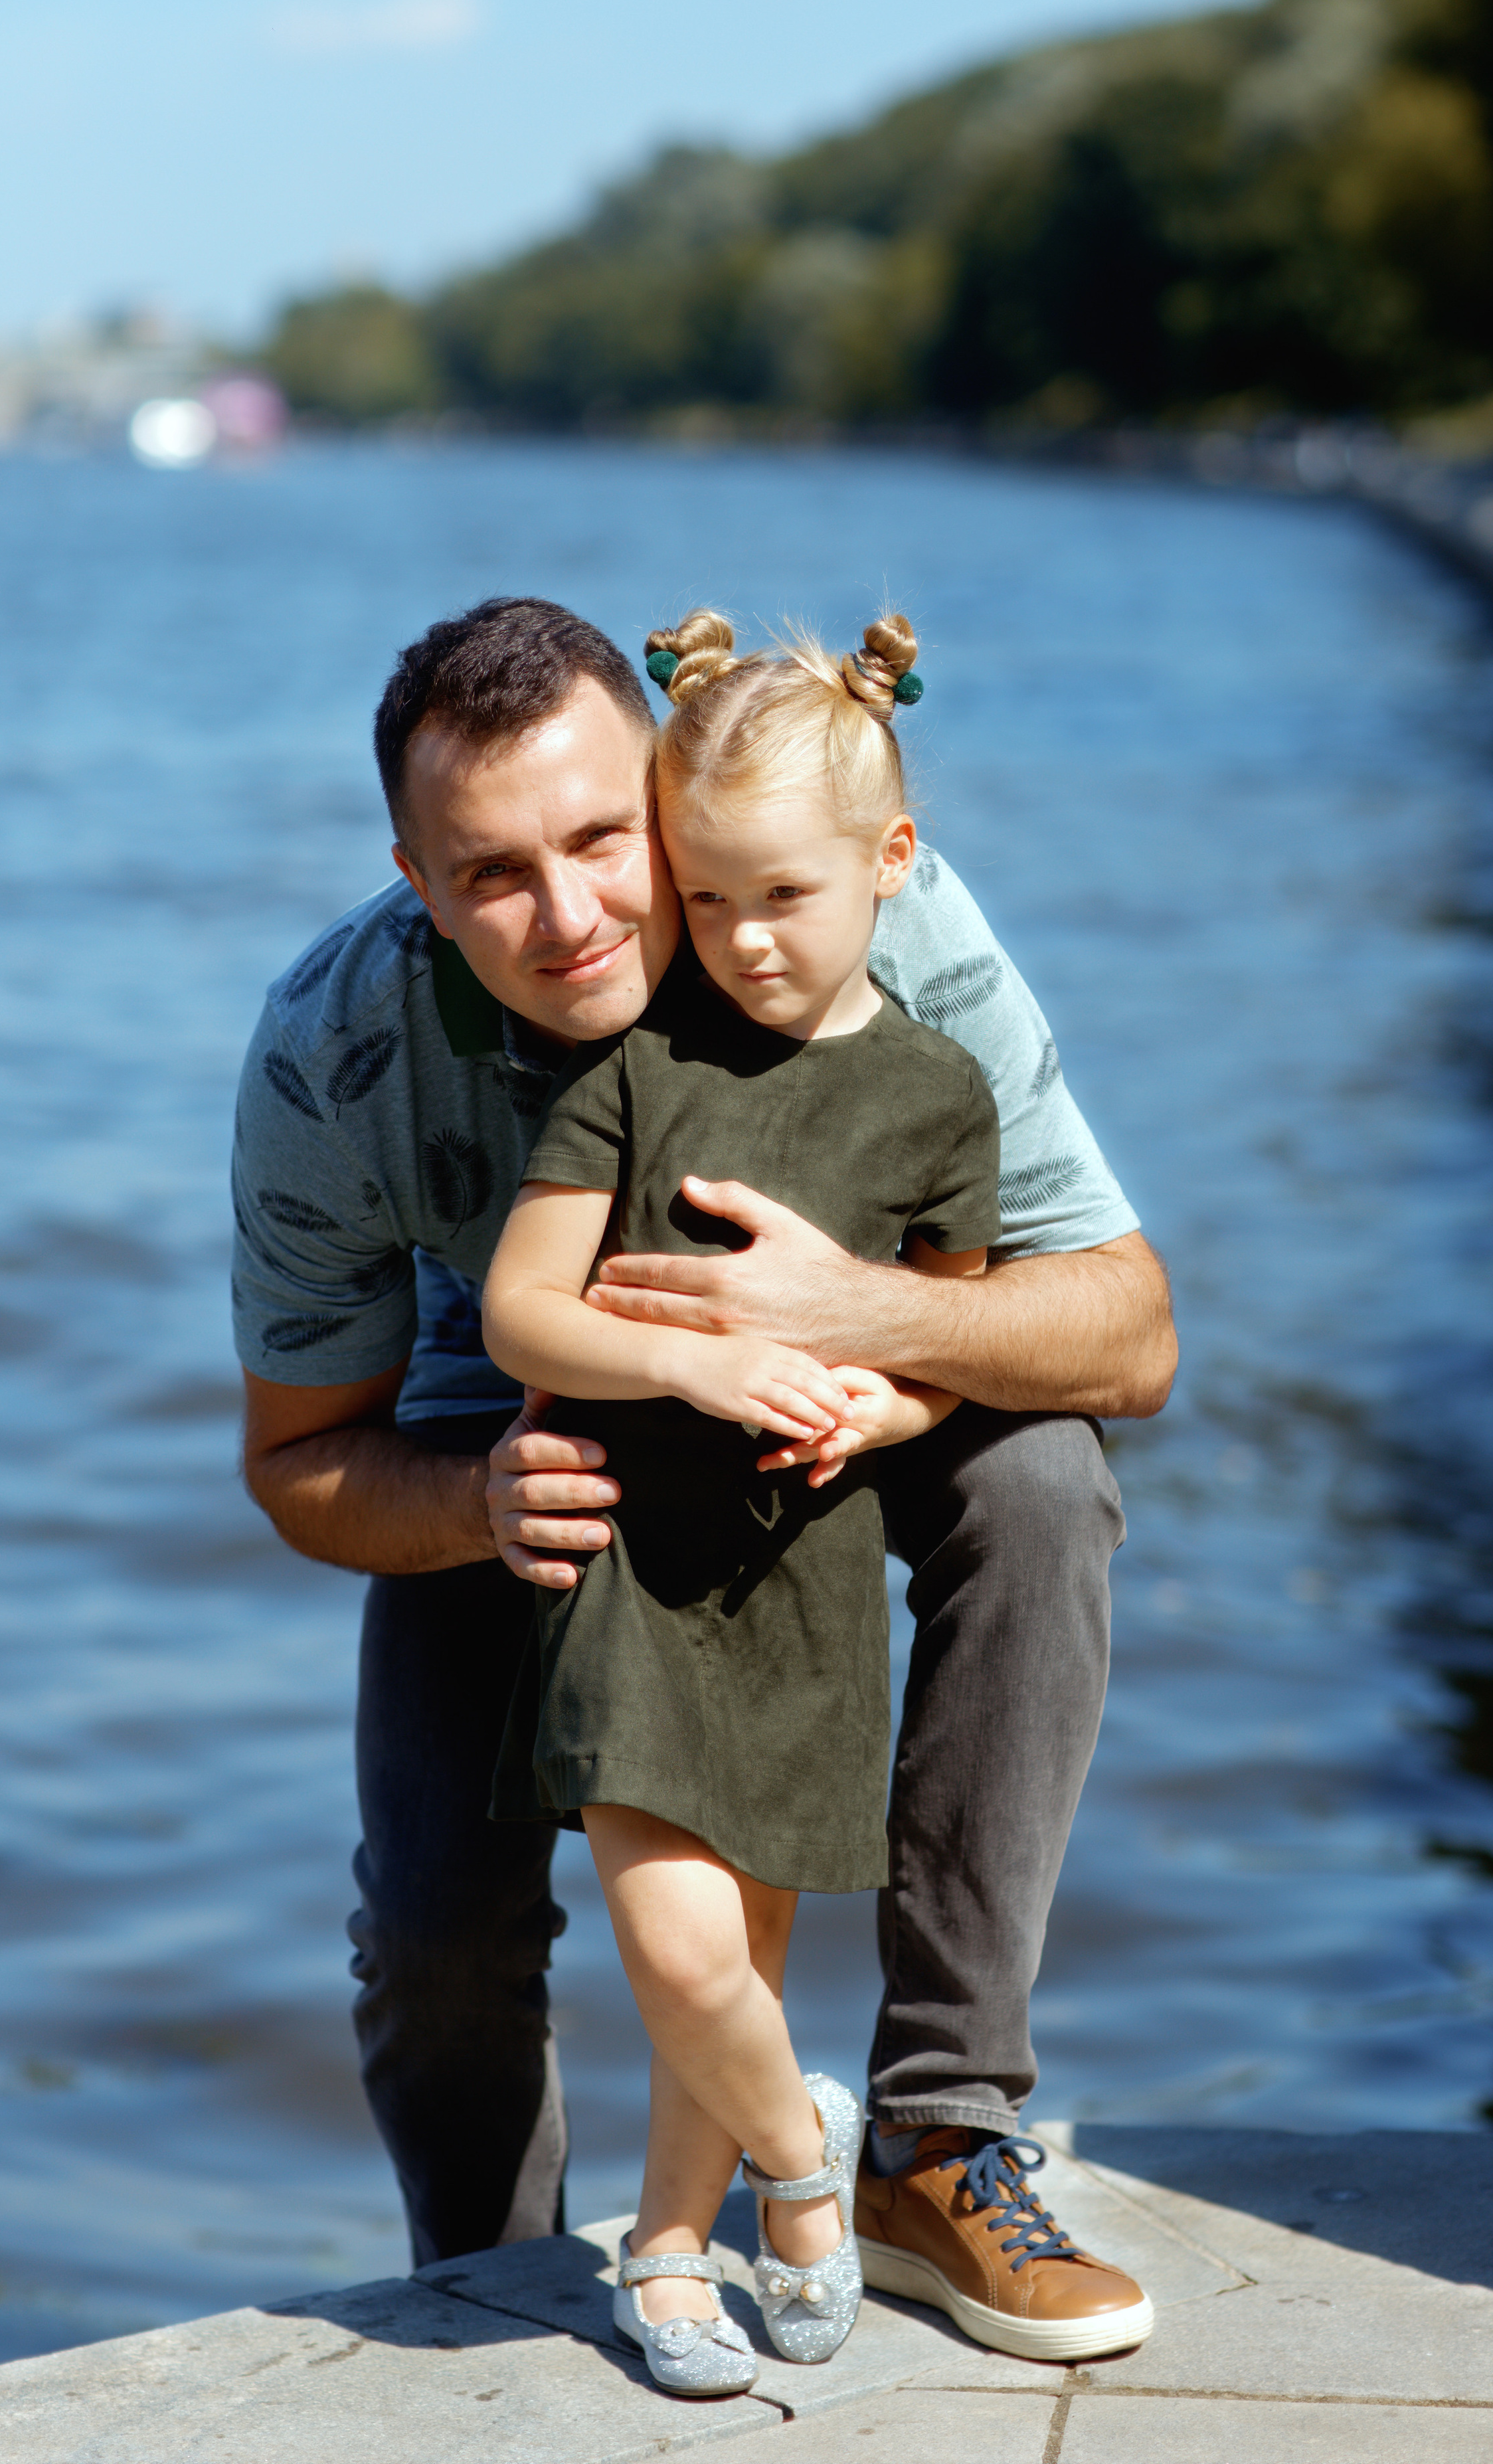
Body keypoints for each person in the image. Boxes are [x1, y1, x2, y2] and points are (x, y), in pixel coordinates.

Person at [232, 593, 1176, 2365]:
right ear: (415, 882)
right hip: (523, 1418)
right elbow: (297, 1465)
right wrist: (476, 1500)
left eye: (608, 839)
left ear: (671, 794)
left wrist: (856, 1315)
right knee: (432, 1931)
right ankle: (490, 2272)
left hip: (852, 1381)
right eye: (492, 873)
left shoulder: (855, 908)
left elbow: (1130, 1333)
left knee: (1047, 1483)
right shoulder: (334, 1050)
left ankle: (936, 2141)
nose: (572, 915)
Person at [481, 606, 999, 2394]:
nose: (745, 938)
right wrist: (692, 1366)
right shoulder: (640, 1068)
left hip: (807, 1568)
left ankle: (665, 2248)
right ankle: (802, 2154)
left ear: (891, 861)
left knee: (751, 1951)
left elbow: (954, 1333)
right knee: (681, 1944)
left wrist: (888, 1396)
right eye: (707, 900)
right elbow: (522, 1313)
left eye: (786, 894)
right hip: (630, 1566)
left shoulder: (939, 1094)